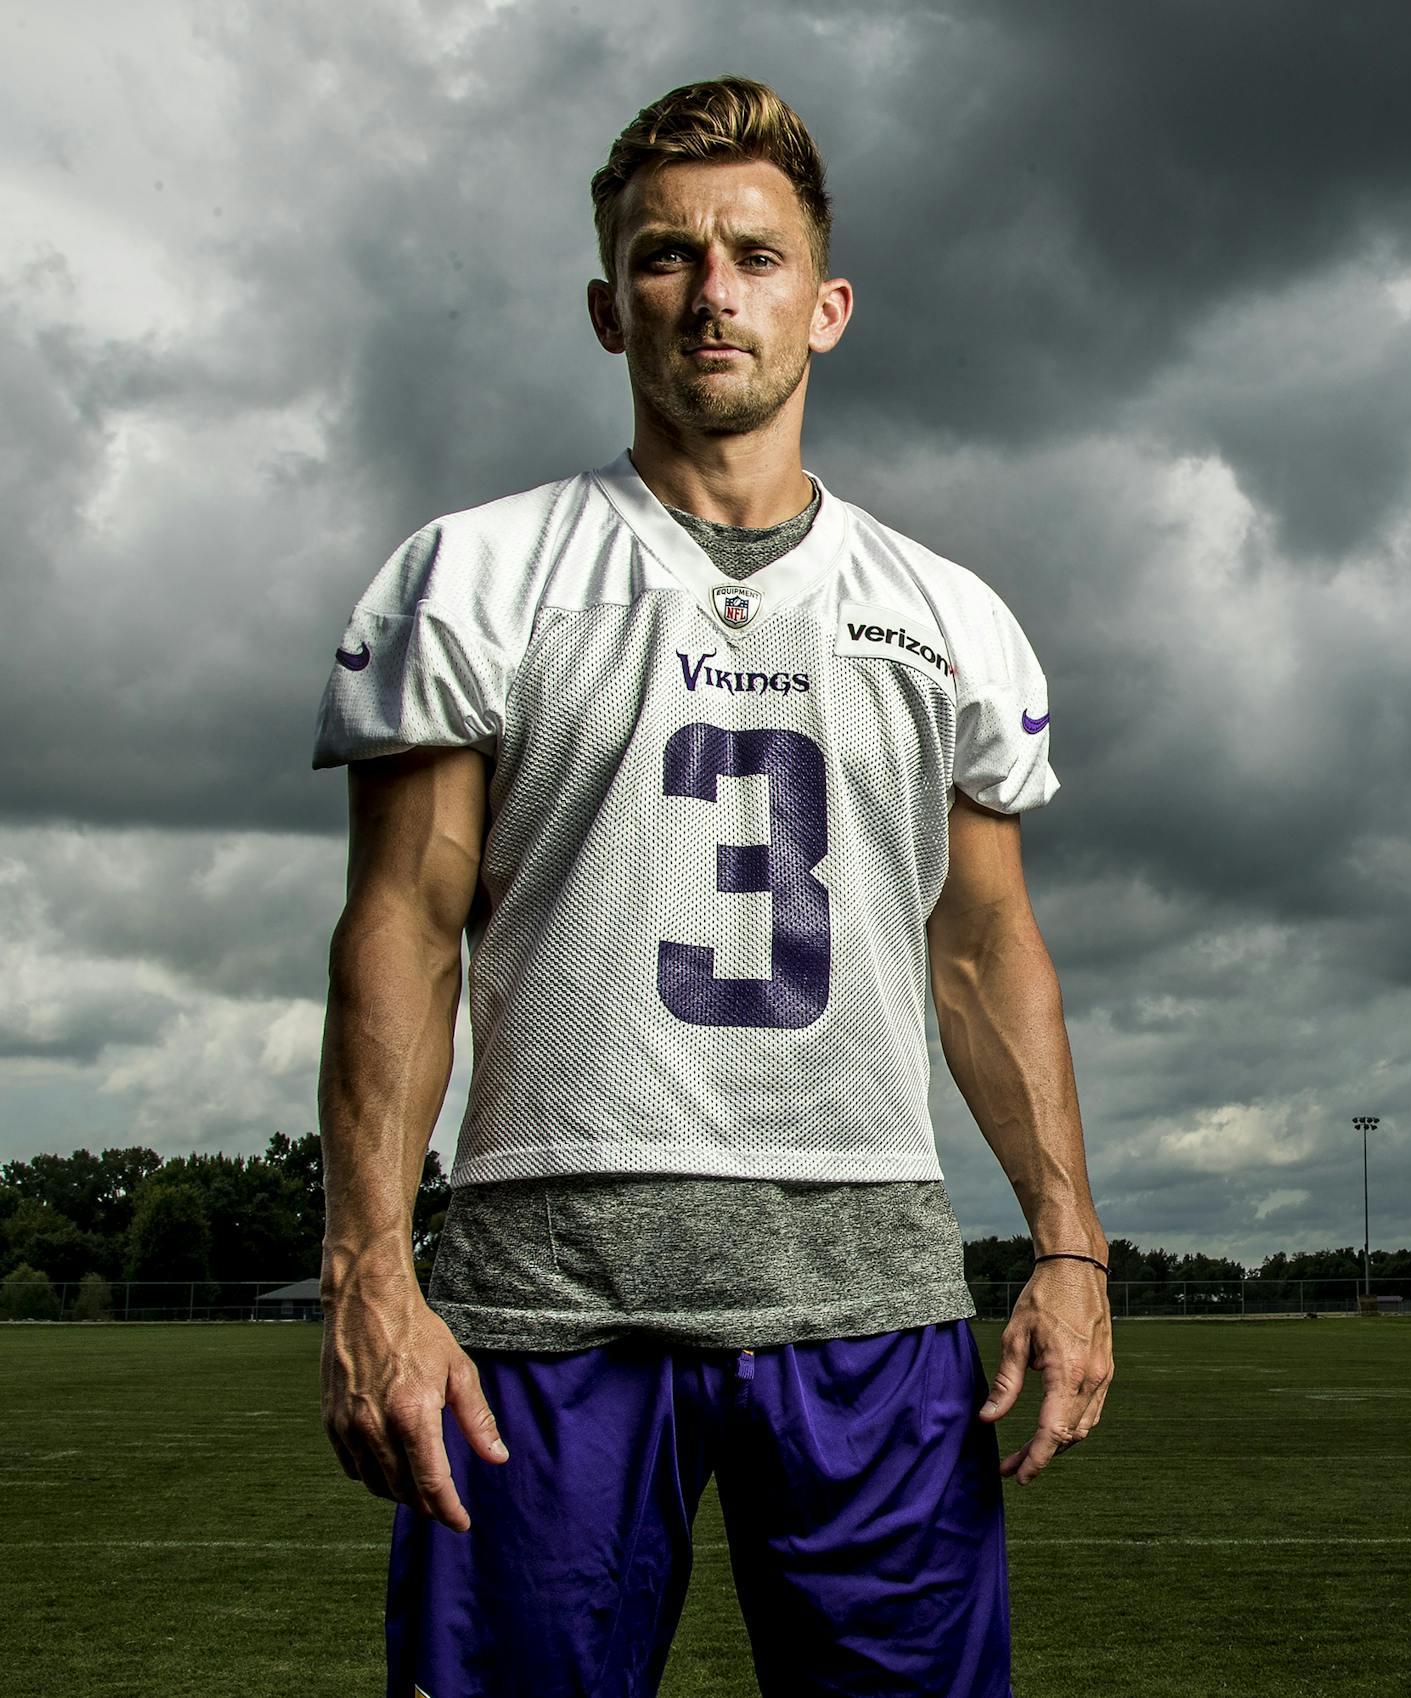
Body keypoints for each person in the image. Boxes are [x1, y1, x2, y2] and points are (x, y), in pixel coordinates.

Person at [313, 75, 1112, 1698]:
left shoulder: (947, 610)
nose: (711, 289)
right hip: (545, 1308)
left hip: (871, 1304)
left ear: (824, 303)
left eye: (752, 253)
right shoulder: (482, 572)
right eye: (667, 257)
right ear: (610, 307)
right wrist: (369, 1271)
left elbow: (984, 944)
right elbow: (404, 925)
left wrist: (1071, 1244)